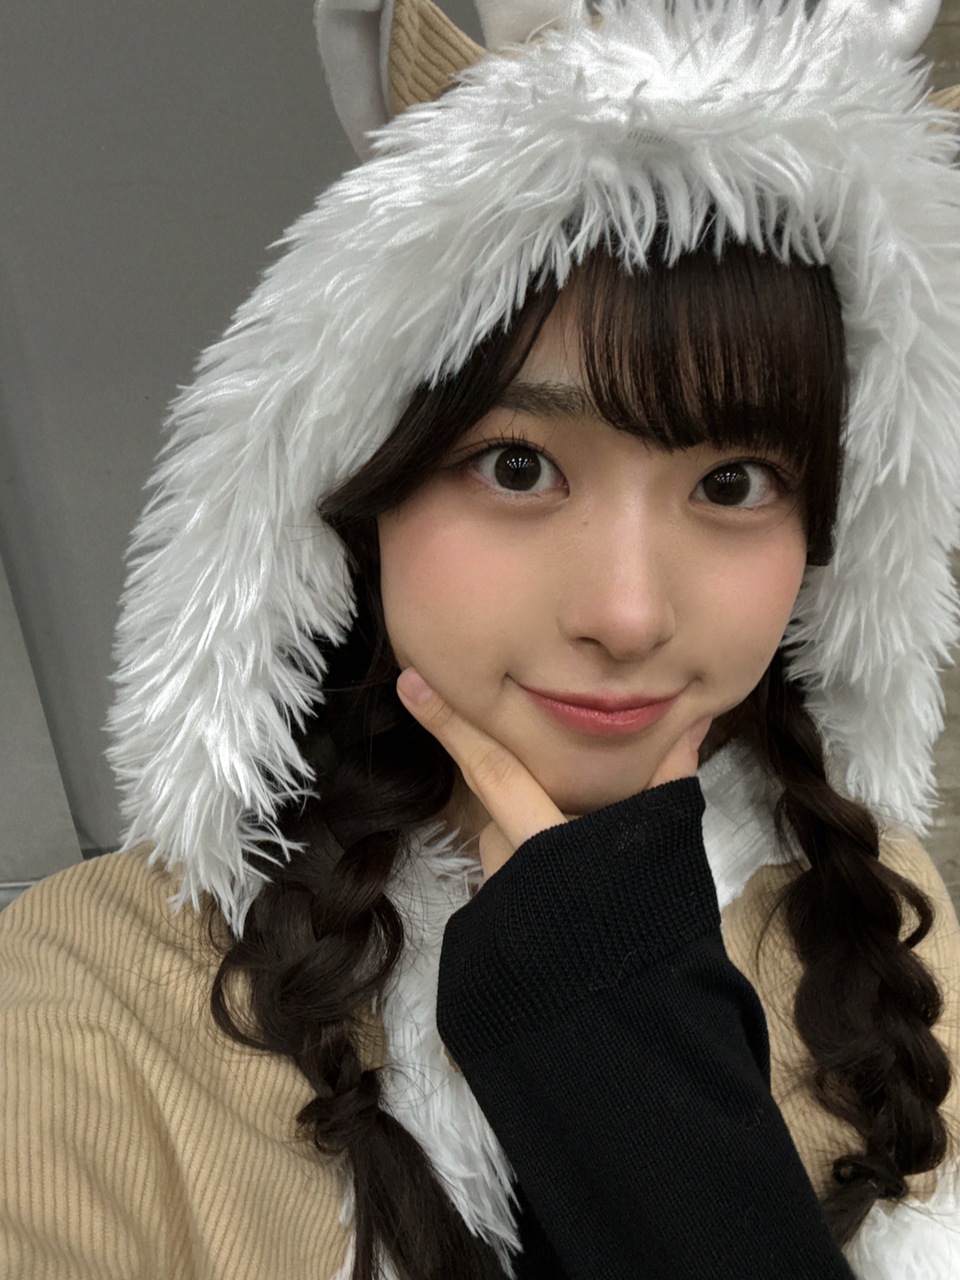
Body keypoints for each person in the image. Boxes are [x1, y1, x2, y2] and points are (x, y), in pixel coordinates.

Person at [2, 0, 960, 1277]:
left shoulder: (877, 910)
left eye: (733, 483)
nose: (626, 613)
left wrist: (640, 1082)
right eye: (517, 465)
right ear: (359, 492)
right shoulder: (82, 1005)